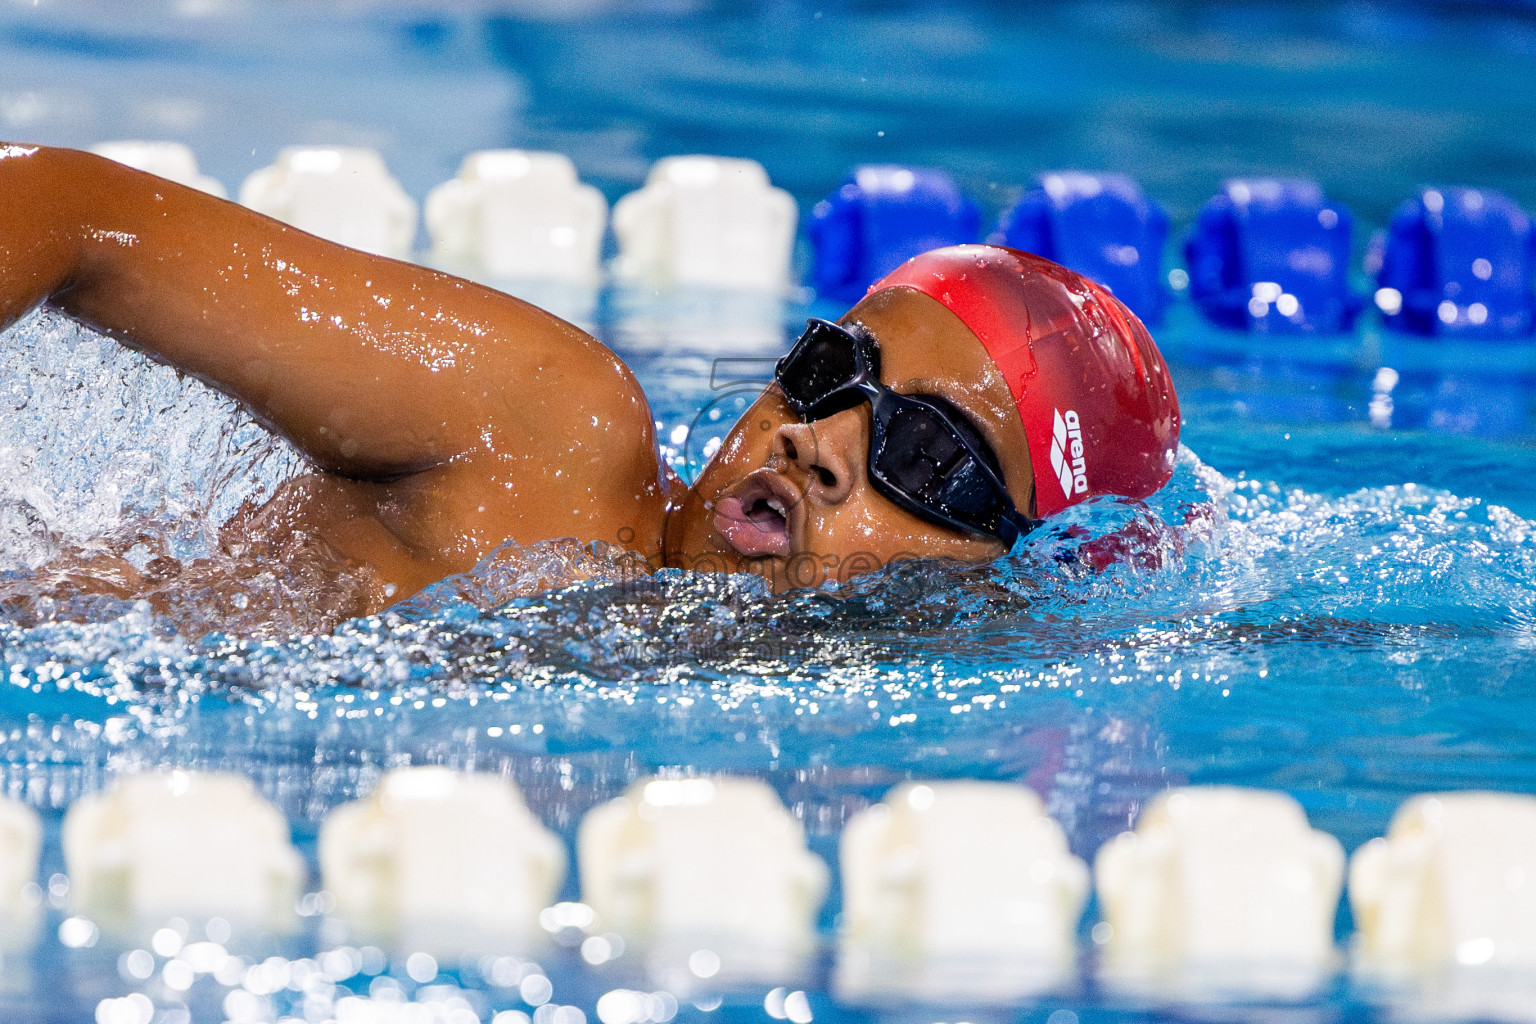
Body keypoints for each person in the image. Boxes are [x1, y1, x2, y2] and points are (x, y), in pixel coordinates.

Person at [0, 143, 1179, 620]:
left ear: (1008, 584)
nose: (819, 441)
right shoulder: (549, 439)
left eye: (926, 457)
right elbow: (75, 212)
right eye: (833, 372)